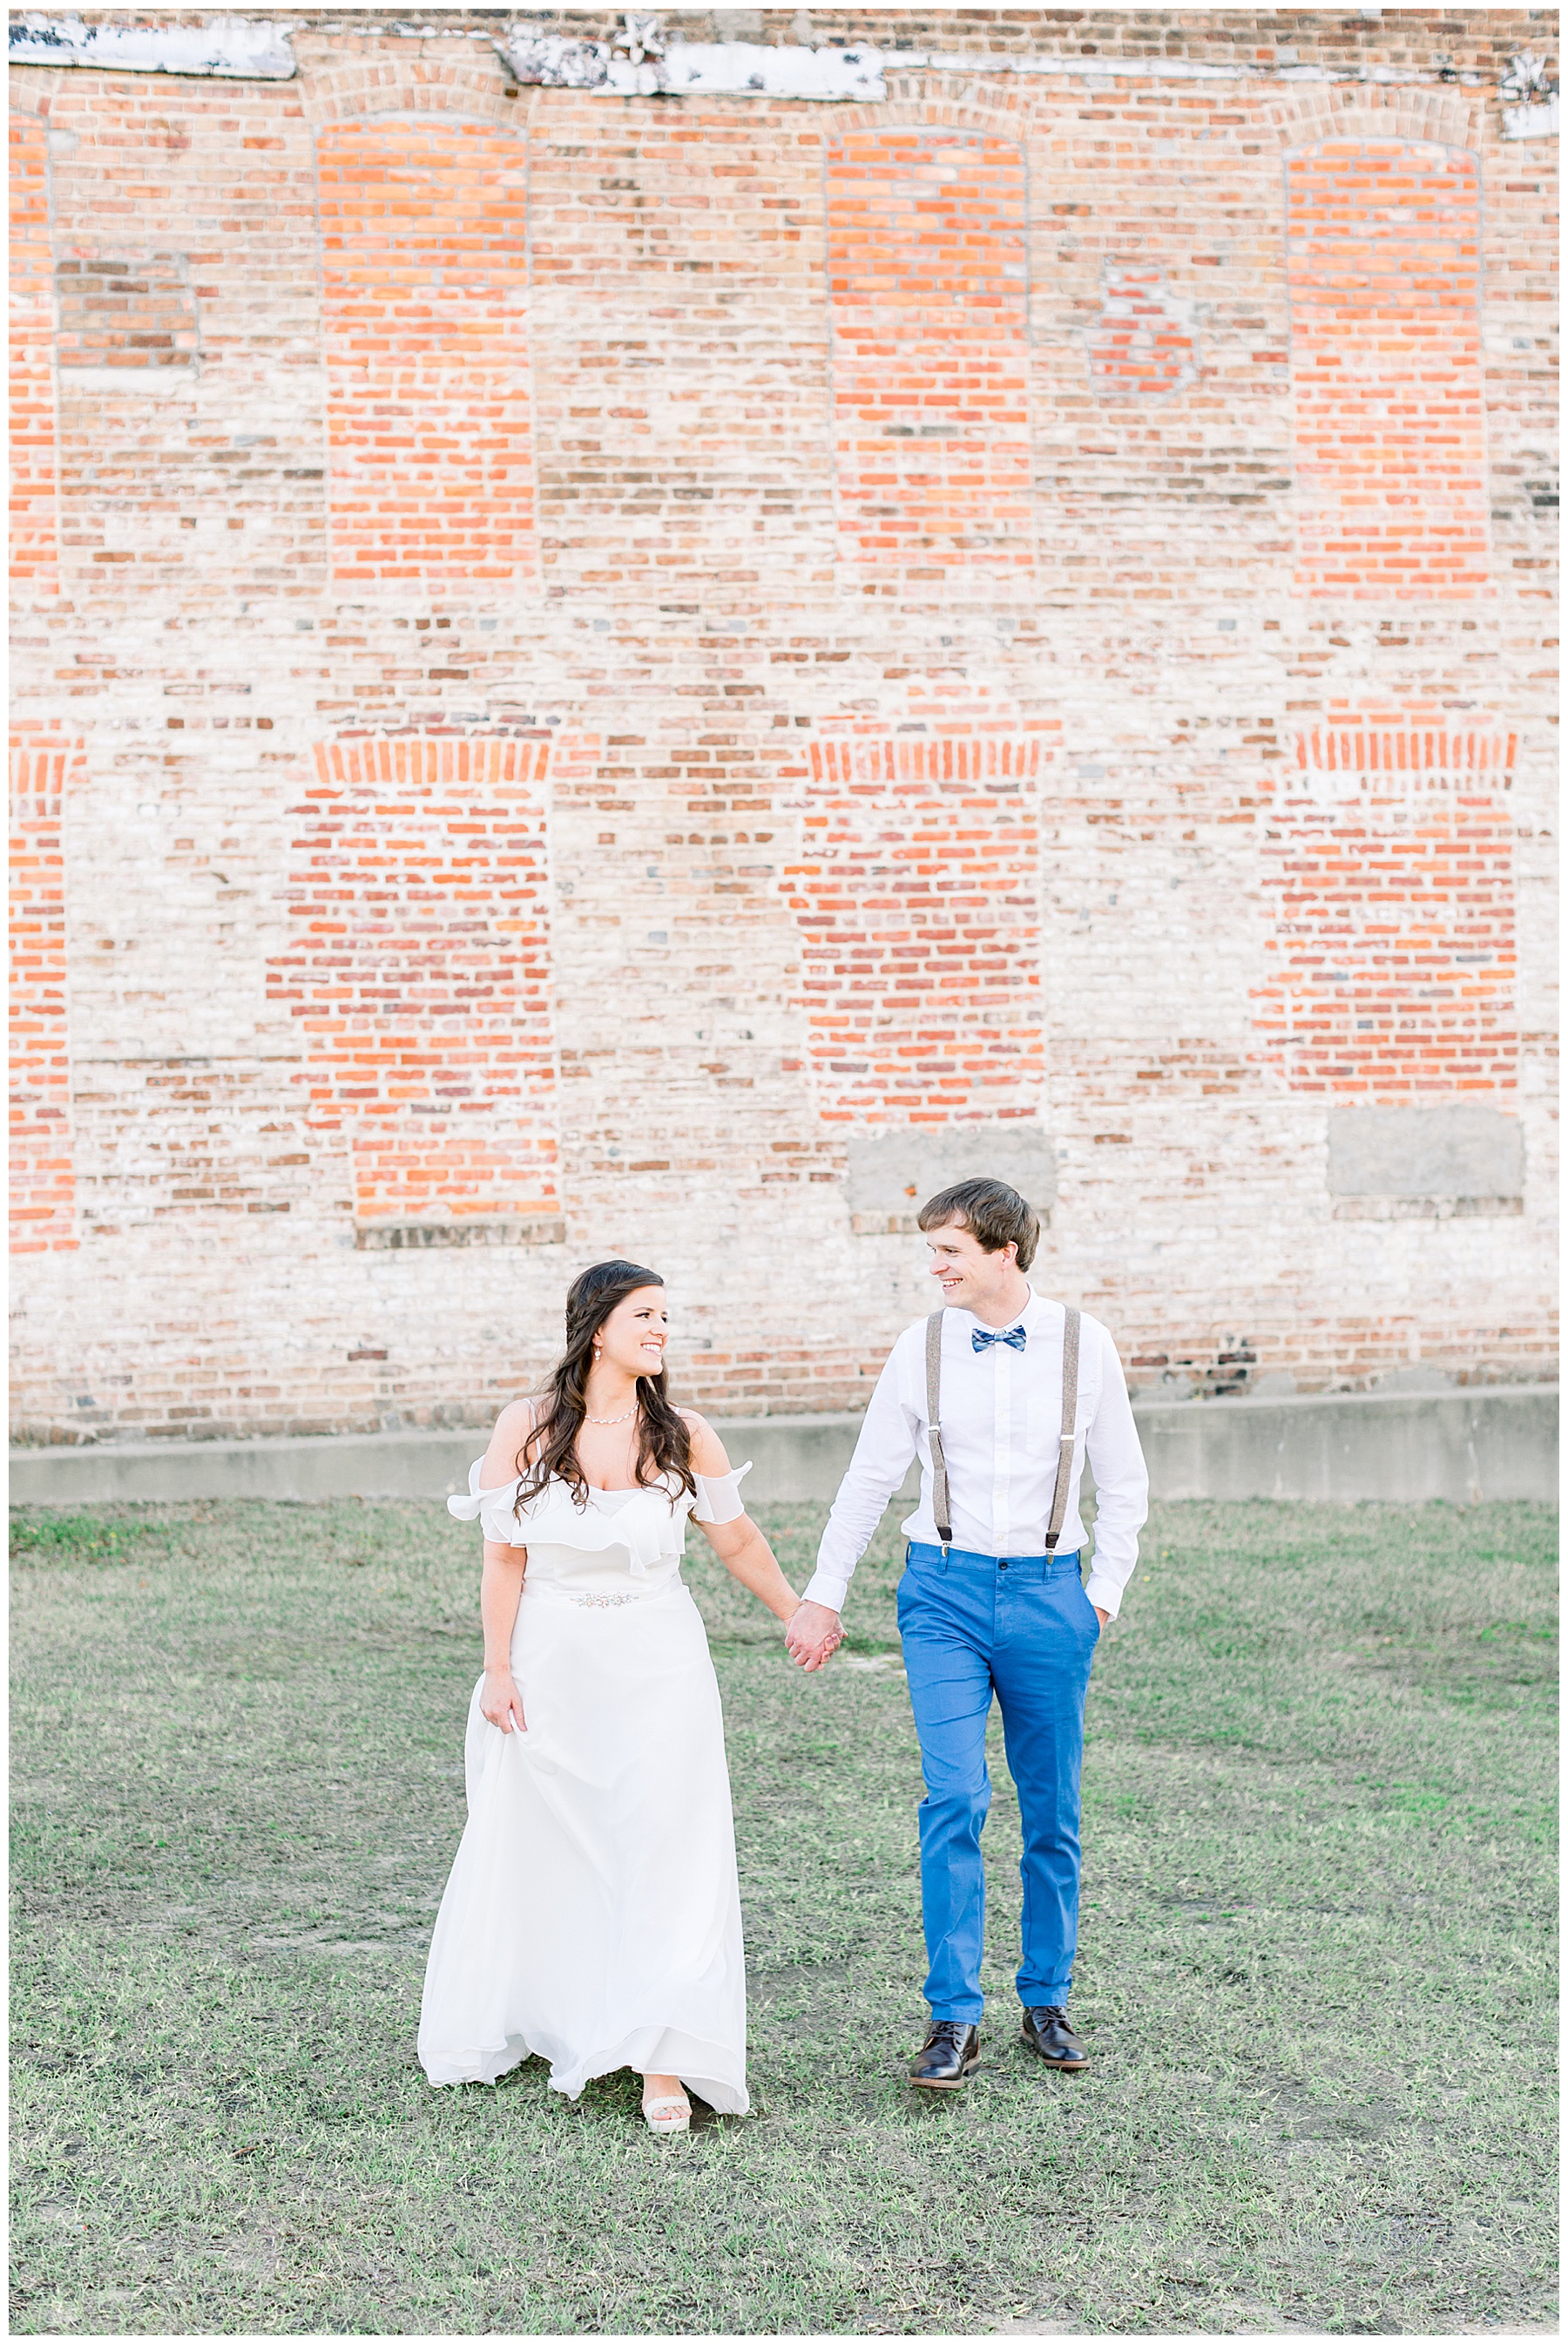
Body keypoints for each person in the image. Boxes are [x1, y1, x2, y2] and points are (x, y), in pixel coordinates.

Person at [418, 1257, 816, 2134]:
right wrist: (497, 1669)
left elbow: (737, 1539)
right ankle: (565, 2012)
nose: (662, 1330)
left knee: (664, 1846)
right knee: (551, 1842)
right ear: (597, 1328)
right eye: (646, 1315)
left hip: (659, 1662)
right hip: (550, 1661)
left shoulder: (684, 1434)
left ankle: (660, 2055)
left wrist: (798, 1611)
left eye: (666, 1316)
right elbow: (503, 1556)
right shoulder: (526, 1426)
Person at [787, 1177, 1149, 2090]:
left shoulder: (1085, 1343)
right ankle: (954, 2016)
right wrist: (824, 1594)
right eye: (933, 1251)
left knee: (1052, 1808)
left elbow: (1125, 1482)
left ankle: (1047, 1999)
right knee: (954, 1796)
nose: (935, 1267)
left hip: (1050, 1597)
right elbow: (870, 1479)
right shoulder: (921, 1347)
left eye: (949, 1250)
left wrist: (1099, 1597)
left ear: (1004, 1251)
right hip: (942, 1594)